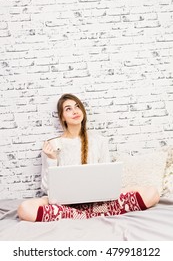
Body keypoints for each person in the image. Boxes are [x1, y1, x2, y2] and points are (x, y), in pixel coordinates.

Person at [17, 93, 160, 222]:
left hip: (99, 201)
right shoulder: (52, 146)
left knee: (152, 193)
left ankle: (84, 213)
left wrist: (119, 190)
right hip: (65, 202)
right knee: (25, 208)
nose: (75, 111)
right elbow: (46, 188)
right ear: (62, 117)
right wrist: (52, 158)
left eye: (77, 106)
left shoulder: (99, 140)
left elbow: (107, 178)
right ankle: (79, 213)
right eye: (68, 109)